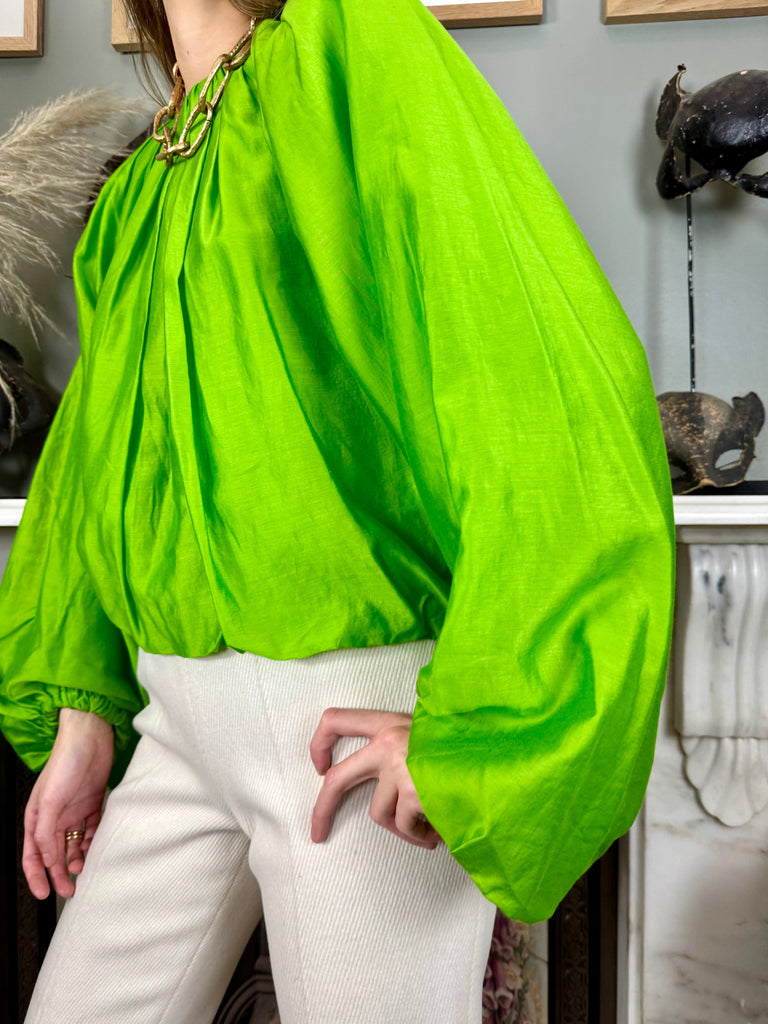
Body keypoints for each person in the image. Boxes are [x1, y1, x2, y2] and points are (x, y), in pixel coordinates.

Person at [0, 0, 676, 1020]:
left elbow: (536, 365)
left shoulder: (354, 45)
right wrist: (83, 717)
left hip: (342, 709)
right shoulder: (143, 183)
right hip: (173, 708)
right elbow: (95, 469)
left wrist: (484, 726)